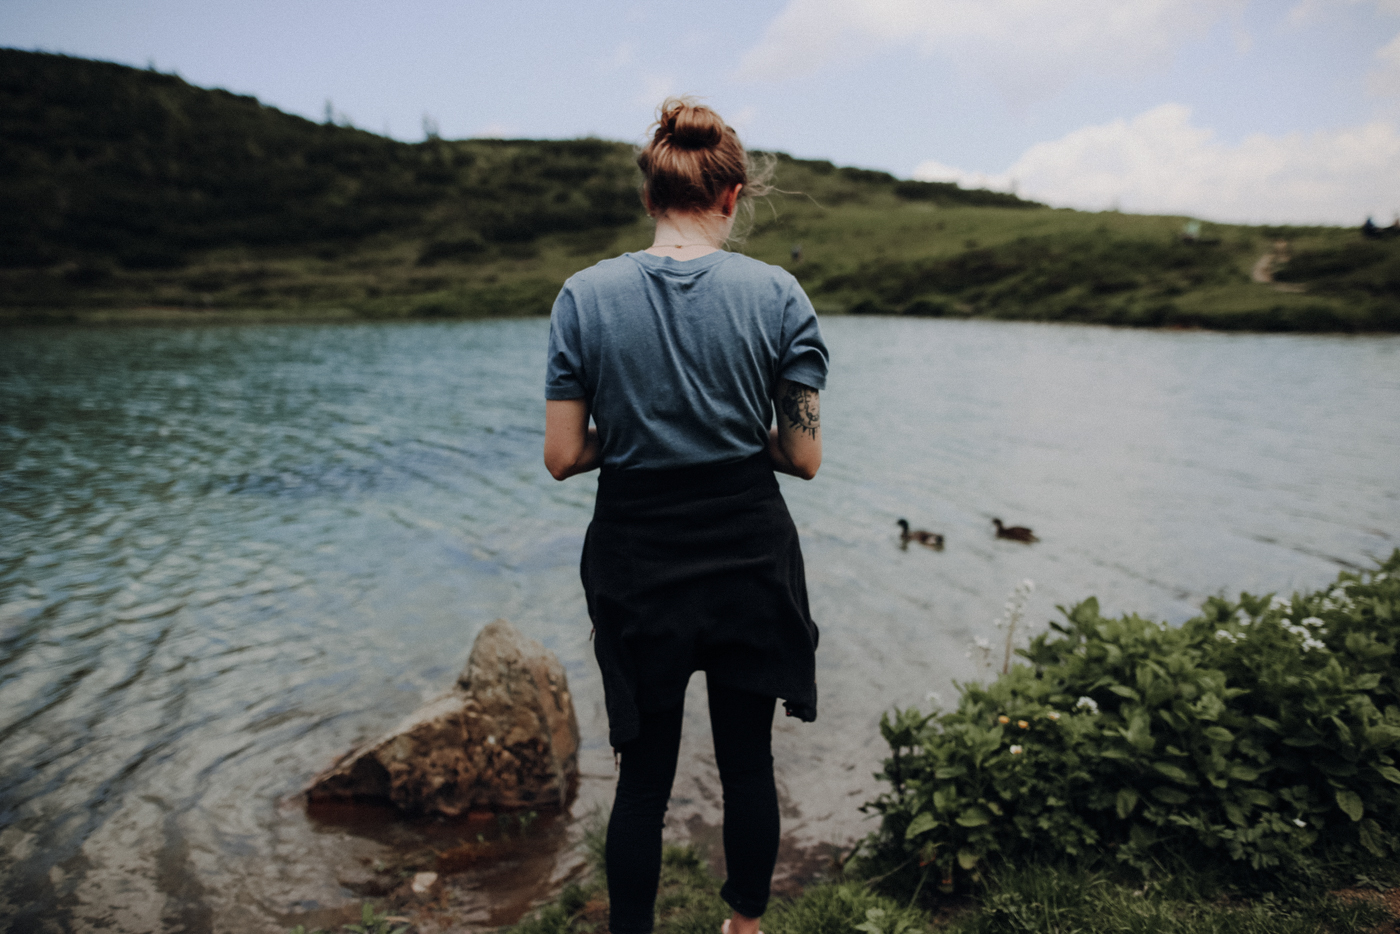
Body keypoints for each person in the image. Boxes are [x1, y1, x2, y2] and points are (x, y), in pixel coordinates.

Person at [542, 97, 828, 934]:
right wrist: (739, 432)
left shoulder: (584, 297)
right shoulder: (779, 295)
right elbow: (803, 457)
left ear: (650, 197)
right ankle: (744, 926)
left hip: (637, 559)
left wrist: (628, 434)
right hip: (747, 554)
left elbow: (563, 456)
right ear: (733, 196)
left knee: (643, 782)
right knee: (747, 765)